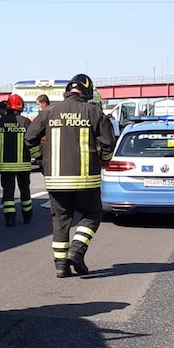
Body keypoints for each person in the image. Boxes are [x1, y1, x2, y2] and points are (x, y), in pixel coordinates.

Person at [25, 74, 116, 278]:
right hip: (86, 180)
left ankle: (60, 265)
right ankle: (76, 251)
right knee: (92, 215)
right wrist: (104, 160)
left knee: (61, 220)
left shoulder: (49, 111)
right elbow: (108, 143)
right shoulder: (93, 111)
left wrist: (42, 160)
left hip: (56, 179)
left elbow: (29, 139)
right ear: (87, 91)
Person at [0, 94, 33, 226]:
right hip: (23, 165)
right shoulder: (26, 122)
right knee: (25, 190)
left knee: (8, 192)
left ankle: (10, 218)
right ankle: (27, 216)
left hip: (5, 165)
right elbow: (32, 142)